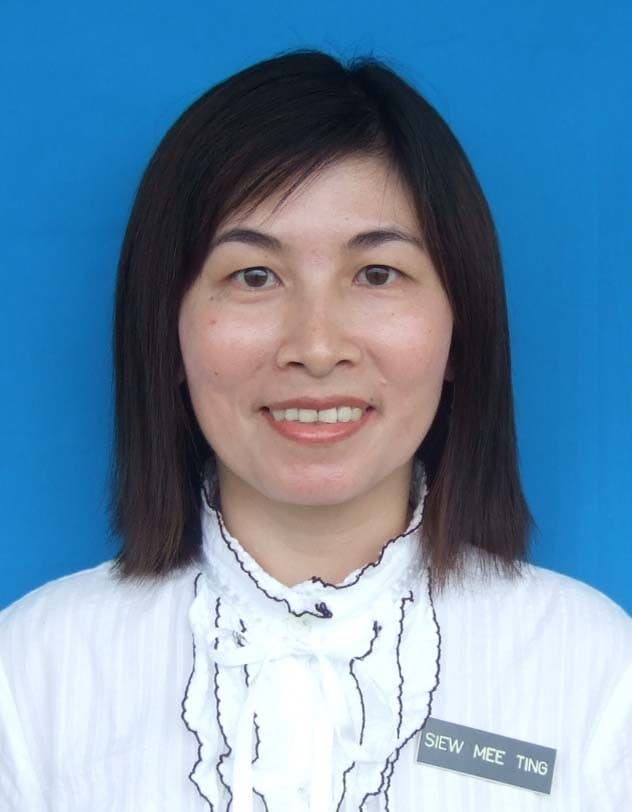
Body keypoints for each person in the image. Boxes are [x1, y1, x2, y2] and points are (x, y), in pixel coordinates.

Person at [0, 48, 630, 812]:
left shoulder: (595, 675)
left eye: (377, 274)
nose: (318, 346)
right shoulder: (30, 679)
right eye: (254, 276)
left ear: (460, 329)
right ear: (166, 331)